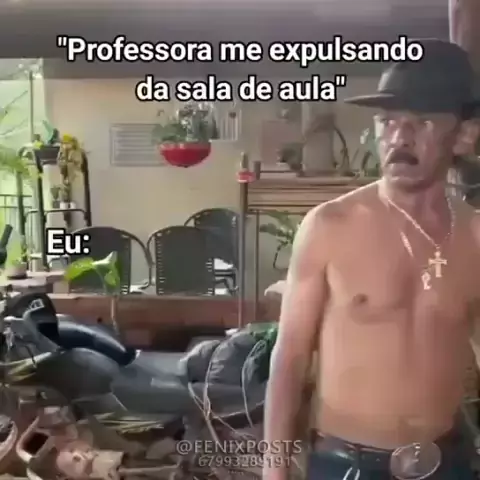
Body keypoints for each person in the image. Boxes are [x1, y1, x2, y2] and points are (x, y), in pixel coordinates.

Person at [263, 39, 480, 480]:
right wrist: (274, 469)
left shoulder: (475, 236)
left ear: (464, 136)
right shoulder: (331, 226)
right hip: (346, 465)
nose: (399, 138)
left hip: (446, 462)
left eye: (421, 122)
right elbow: (290, 359)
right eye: (388, 122)